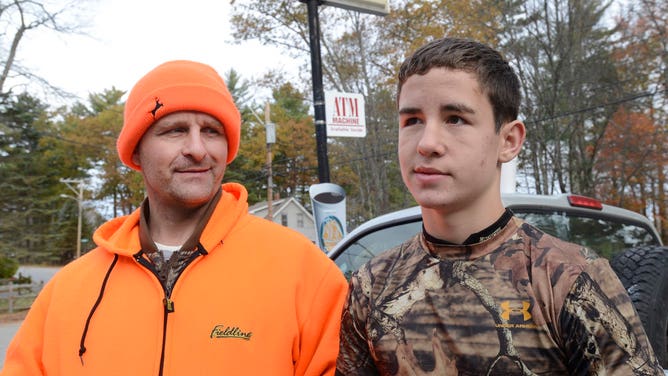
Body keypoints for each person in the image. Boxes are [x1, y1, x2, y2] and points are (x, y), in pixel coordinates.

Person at [336, 37, 663, 375]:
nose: (427, 143)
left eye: (455, 119)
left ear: (508, 141)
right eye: (412, 121)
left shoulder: (567, 277)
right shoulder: (372, 285)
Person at [2, 60, 348, 375]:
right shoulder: (68, 291)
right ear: (136, 149)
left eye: (212, 131)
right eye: (175, 130)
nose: (197, 148)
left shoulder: (305, 274)